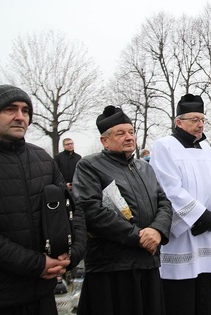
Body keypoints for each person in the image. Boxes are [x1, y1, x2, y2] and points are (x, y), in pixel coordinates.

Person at [0, 85, 86, 314]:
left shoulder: (42, 159)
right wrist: (36, 264)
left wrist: (71, 255)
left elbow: (73, 210)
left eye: (25, 110)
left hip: (43, 295)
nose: (19, 117)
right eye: (10, 109)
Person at [73, 105, 172, 315]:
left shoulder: (145, 167)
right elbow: (91, 211)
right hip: (113, 267)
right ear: (104, 140)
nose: (129, 137)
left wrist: (157, 231)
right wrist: (138, 237)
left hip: (147, 263)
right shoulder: (89, 166)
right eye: (121, 133)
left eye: (131, 132)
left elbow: (164, 202)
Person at [150, 94, 211, 315]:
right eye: (194, 119)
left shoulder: (206, 148)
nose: (200, 124)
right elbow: (169, 189)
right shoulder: (164, 146)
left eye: (202, 119)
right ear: (179, 121)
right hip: (184, 237)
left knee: (206, 297)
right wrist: (202, 217)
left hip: (207, 234)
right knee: (181, 299)